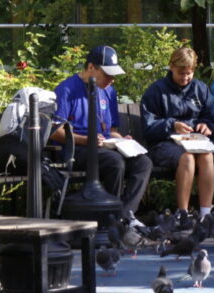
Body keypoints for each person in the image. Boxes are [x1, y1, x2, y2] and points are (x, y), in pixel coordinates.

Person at [49, 45, 152, 223]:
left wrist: (121, 140)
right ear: (91, 67)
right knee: (115, 162)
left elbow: (111, 130)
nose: (111, 79)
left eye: (113, 75)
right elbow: (55, 132)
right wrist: (86, 140)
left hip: (104, 147)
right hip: (77, 149)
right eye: (107, 74)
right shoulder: (66, 90)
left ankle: (124, 215)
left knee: (144, 162)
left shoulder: (109, 91)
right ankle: (108, 217)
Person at [140, 47, 214, 219]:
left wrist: (207, 126)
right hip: (164, 143)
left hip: (196, 141)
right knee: (187, 158)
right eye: (180, 73)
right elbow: (148, 128)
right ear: (171, 67)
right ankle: (182, 214)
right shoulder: (156, 91)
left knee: (207, 155)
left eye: (189, 73)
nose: (185, 78)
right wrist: (172, 125)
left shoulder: (201, 89)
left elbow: (212, 117)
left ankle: (206, 214)